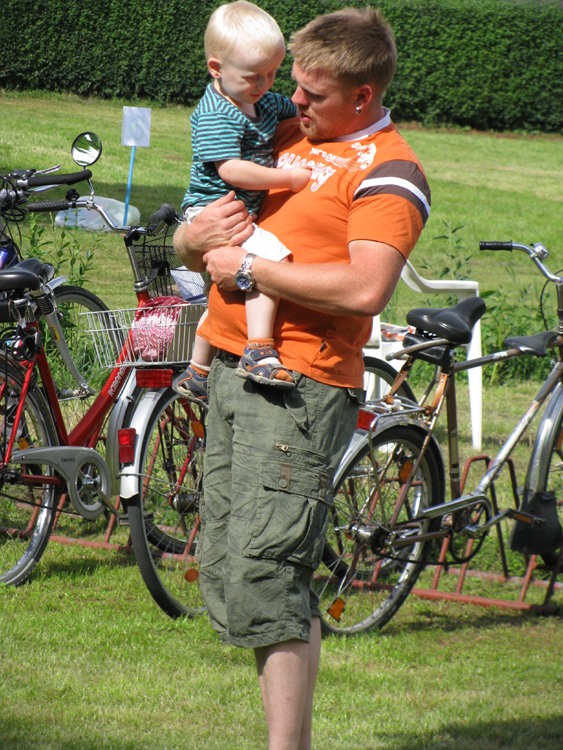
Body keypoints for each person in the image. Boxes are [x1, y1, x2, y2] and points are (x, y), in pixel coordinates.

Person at [174, 6, 431, 749]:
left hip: (298, 388)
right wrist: (192, 239)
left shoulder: (390, 170)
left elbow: (365, 288)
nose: (293, 101)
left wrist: (250, 269)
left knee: (269, 572)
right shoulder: (284, 133)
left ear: (362, 95)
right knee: (229, 568)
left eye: (313, 94)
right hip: (231, 368)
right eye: (294, 85)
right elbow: (201, 242)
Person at [173, 1, 311, 402]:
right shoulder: (216, 112)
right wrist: (287, 179)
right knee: (268, 262)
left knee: (225, 292)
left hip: (237, 209)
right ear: (216, 68)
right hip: (212, 209)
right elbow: (231, 170)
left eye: (273, 73)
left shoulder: (262, 99)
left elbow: (299, 110)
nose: (265, 84)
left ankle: (197, 370)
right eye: (254, 76)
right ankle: (259, 350)